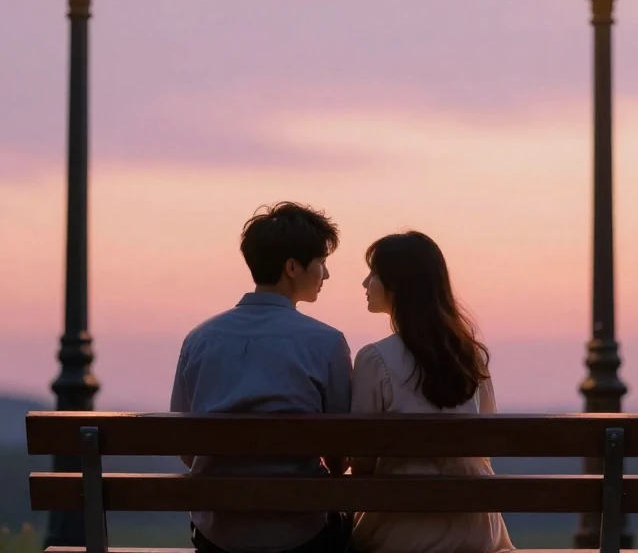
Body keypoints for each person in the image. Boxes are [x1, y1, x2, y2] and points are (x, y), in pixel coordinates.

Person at [170, 202, 354, 553]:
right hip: (302, 533)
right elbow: (340, 455)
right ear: (292, 267)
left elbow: (185, 449)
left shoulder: (200, 339)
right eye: (322, 262)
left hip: (218, 534)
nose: (326, 274)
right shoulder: (326, 342)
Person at [349, 231, 514, 553]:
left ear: (397, 283)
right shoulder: (470, 355)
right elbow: (484, 441)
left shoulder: (375, 359)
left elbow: (363, 463)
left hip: (402, 531)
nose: (365, 283)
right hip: (477, 528)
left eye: (373, 273)